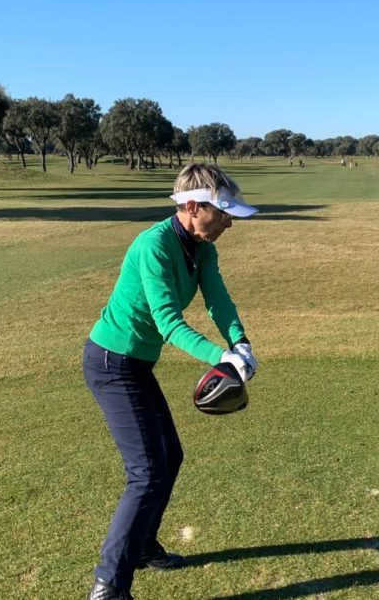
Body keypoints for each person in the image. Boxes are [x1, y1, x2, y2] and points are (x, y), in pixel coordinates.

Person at [83, 162, 259, 600]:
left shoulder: (202, 248)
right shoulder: (153, 246)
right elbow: (167, 321)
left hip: (137, 364)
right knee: (145, 472)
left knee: (170, 457)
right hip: (110, 361)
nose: (229, 222)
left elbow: (217, 298)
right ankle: (108, 584)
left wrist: (241, 341)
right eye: (223, 213)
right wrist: (221, 356)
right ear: (194, 206)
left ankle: (142, 545)